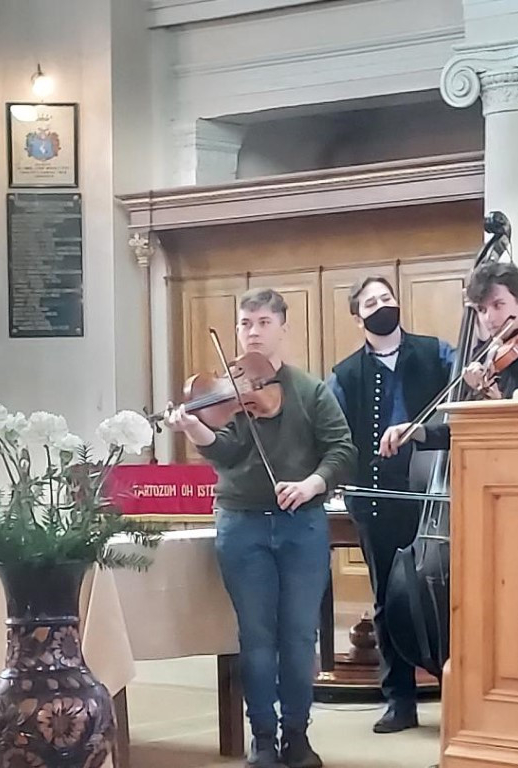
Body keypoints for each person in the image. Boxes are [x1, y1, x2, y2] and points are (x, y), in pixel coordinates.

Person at [165, 288, 356, 768]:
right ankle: (263, 737)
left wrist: (312, 484)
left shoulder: (310, 390)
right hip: (242, 524)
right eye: (245, 323)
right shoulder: (228, 393)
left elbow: (343, 450)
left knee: (299, 635)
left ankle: (297, 734)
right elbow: (226, 452)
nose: (252, 332)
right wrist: (194, 429)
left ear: (282, 328)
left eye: (263, 322)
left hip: (301, 525)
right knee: (255, 636)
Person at [327, 275, 454, 733]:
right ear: (357, 317)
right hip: (378, 499)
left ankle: (458, 690)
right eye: (370, 302)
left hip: (435, 494)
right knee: (387, 598)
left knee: (450, 594)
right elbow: (337, 436)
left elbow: (462, 396)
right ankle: (400, 699)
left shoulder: (437, 352)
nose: (381, 305)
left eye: (386, 297)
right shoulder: (344, 375)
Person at [378, 261, 518, 455]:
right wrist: (415, 430)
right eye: (482, 310)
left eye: (498, 305)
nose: (489, 318)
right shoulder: (482, 355)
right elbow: (460, 431)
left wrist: (496, 400)